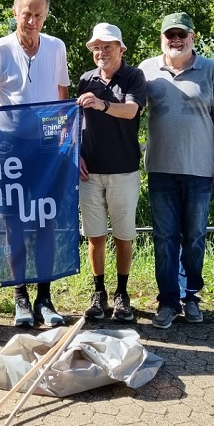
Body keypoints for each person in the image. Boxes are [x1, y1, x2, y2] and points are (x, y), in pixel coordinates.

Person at [0, 0, 71, 327]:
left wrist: (64, 143)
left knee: (46, 220)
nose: (31, 21)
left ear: (45, 16)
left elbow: (63, 96)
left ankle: (45, 299)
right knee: (13, 223)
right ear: (15, 13)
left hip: (47, 146)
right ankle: (19, 297)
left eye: (38, 15)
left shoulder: (56, 47)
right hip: (9, 148)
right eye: (26, 14)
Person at [139, 12, 214, 328]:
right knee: (165, 238)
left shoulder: (210, 70)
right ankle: (168, 302)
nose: (176, 40)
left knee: (194, 237)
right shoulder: (147, 70)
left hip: (200, 171)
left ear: (192, 37)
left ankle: (190, 296)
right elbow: (127, 110)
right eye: (170, 35)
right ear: (162, 39)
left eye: (182, 35)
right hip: (161, 170)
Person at [76, 23, 146, 323]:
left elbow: (131, 111)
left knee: (123, 235)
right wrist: (74, 154)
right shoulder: (85, 80)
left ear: (121, 49)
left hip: (124, 170)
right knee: (95, 236)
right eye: (97, 47)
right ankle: (99, 292)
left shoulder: (133, 76)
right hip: (90, 172)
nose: (101, 52)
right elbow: (75, 122)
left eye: (108, 46)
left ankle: (122, 293)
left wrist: (103, 104)